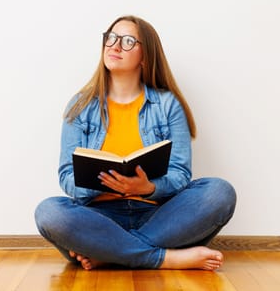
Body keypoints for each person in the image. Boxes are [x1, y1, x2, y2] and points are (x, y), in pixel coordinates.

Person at [34, 15, 236, 271]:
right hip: (100, 218)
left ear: (145, 56)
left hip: (158, 216)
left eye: (128, 41)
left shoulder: (167, 105)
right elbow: (66, 177)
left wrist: (148, 188)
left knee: (219, 192)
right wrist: (103, 185)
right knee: (49, 212)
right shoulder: (80, 106)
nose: (115, 46)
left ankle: (110, 253)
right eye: (111, 37)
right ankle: (165, 258)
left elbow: (180, 174)